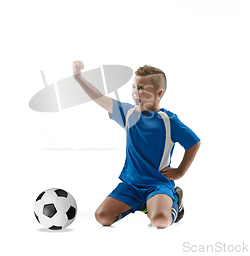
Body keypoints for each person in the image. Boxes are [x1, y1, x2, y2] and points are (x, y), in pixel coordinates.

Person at [73, 61, 201, 229]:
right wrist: (78, 78)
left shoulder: (169, 120)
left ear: (158, 92)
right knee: (102, 217)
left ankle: (175, 200)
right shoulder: (128, 113)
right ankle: (144, 205)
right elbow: (99, 98)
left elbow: (194, 142)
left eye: (142, 88)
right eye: (134, 87)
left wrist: (180, 171)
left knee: (160, 222)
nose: (135, 92)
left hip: (158, 184)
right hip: (131, 184)